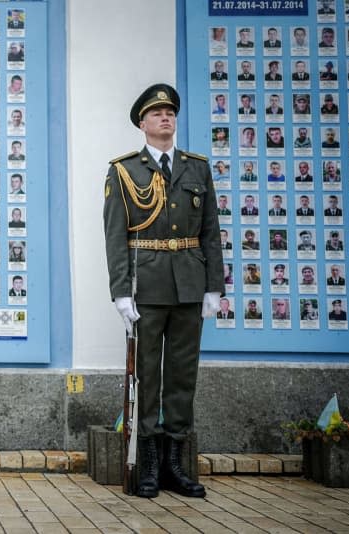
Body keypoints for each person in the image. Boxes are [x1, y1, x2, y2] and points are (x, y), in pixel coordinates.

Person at [103, 84, 222, 500]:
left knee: (182, 378)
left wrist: (214, 287)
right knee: (148, 377)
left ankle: (175, 464)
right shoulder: (124, 171)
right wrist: (121, 291)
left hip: (189, 284)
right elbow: (115, 235)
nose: (165, 118)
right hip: (147, 286)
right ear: (142, 123)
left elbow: (210, 231)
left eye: (170, 112)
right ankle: (150, 464)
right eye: (156, 114)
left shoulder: (196, 168)